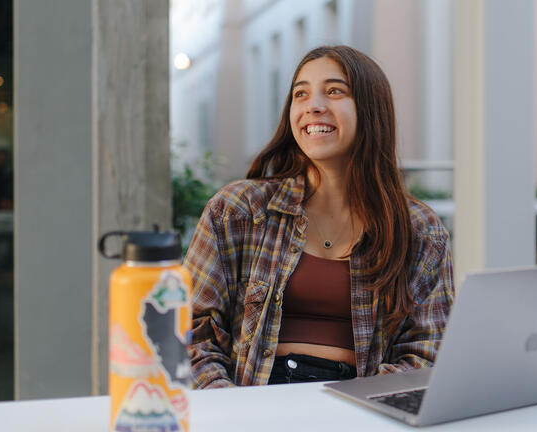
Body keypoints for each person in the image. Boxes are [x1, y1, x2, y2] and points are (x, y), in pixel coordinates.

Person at [184, 45, 453, 388]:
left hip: (358, 404)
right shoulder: (238, 210)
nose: (313, 106)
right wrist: (231, 407)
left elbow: (428, 351)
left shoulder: (420, 231)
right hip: (251, 400)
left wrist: (356, 411)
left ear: (371, 109)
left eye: (334, 91)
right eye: (301, 94)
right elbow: (188, 329)